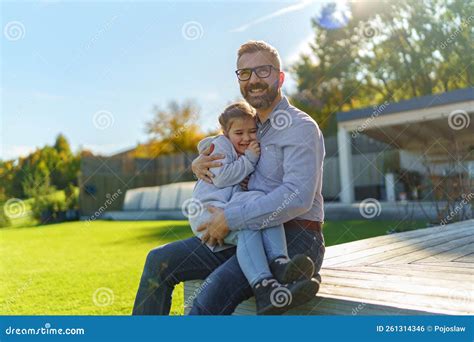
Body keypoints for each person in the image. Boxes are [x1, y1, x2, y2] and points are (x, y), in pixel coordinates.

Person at [132, 40, 325, 315]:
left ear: (280, 77)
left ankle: (271, 286)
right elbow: (219, 151)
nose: (253, 80)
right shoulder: (248, 127)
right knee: (159, 260)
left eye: (263, 71)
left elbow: (297, 197)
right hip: (243, 232)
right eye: (244, 73)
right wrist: (198, 163)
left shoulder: (299, 127)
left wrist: (230, 219)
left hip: (294, 238)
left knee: (207, 300)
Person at [189, 101, 315, 315]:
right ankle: (263, 285)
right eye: (239, 132)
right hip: (208, 214)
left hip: (225, 207)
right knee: (248, 223)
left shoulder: (243, 148)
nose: (246, 137)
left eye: (252, 131)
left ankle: (280, 262)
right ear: (225, 132)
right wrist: (249, 161)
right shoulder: (220, 146)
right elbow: (221, 178)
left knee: (259, 205)